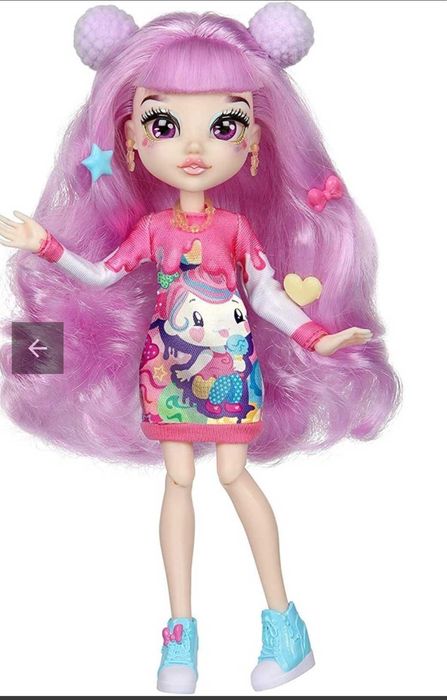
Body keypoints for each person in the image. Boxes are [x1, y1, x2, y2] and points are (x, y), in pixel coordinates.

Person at [0, 2, 401, 693]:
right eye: (164, 124)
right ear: (131, 139)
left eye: (223, 125)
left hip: (231, 370)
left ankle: (285, 625)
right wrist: (47, 245)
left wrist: (317, 336)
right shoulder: (153, 230)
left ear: (252, 142)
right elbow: (102, 275)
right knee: (179, 481)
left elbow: (268, 296)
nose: (193, 147)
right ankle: (179, 636)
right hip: (167, 373)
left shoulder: (235, 232)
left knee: (233, 477)